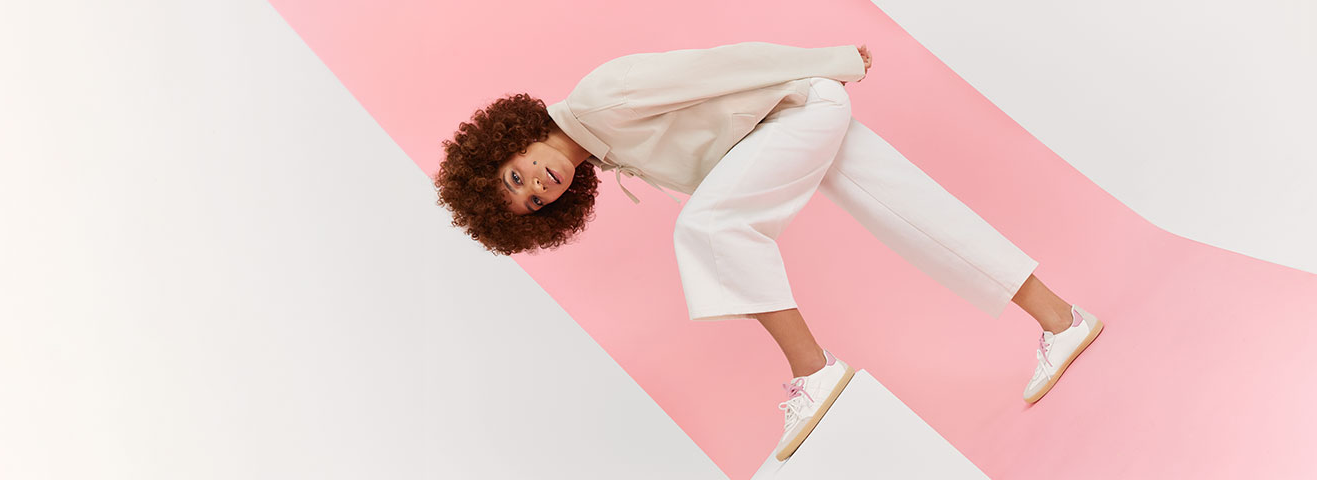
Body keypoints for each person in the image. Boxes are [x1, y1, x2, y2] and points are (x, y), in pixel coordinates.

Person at [430, 41, 1105, 461]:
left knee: (706, 228)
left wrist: (832, 61)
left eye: (517, 176)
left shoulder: (603, 98)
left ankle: (812, 371)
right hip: (788, 121)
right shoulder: (610, 150)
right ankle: (1061, 320)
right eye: (533, 204)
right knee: (910, 211)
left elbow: (725, 66)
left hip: (799, 106)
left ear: (510, 140)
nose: (539, 187)